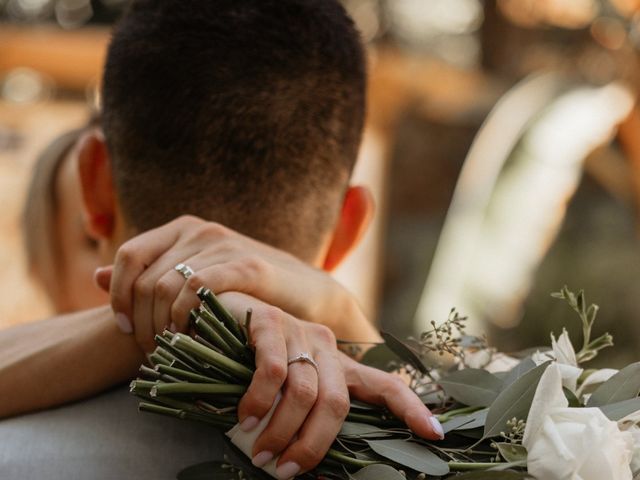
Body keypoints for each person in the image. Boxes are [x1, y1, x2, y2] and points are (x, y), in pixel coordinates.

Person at [0, 1, 444, 478]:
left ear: (94, 184)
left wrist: (174, 313)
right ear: (350, 225)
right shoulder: (493, 444)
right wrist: (342, 321)